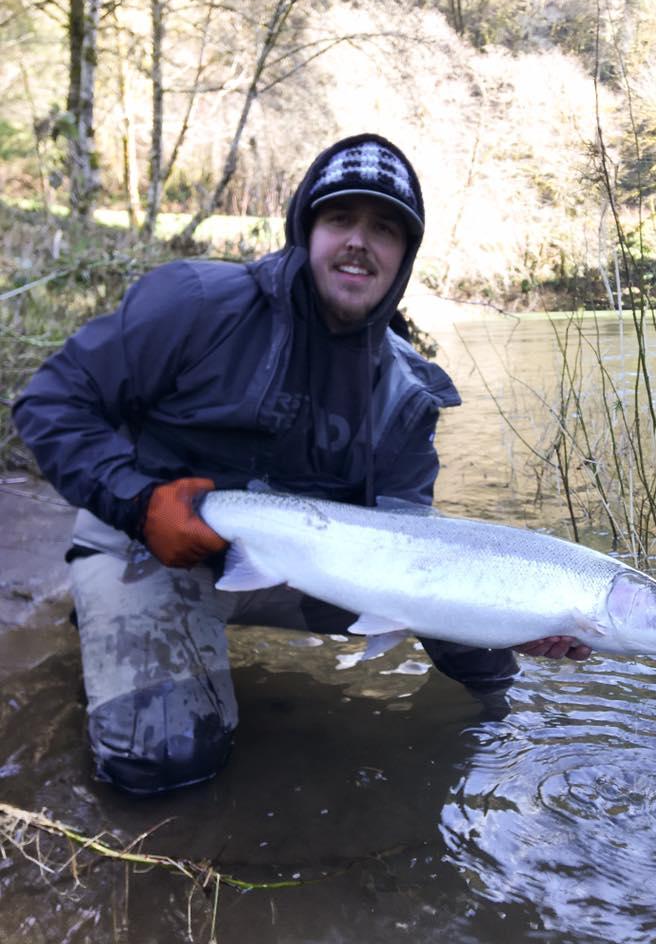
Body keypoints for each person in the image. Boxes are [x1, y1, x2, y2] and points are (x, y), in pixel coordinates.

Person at [13, 133, 590, 796]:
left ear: (403, 256)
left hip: (303, 565)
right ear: (306, 228)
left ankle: (498, 737)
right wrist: (137, 501)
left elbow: (413, 556)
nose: (358, 241)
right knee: (163, 764)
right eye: (340, 218)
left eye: (384, 228)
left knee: (477, 613)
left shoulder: (409, 394)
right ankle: (114, 611)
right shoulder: (198, 304)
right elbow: (50, 401)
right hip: (148, 540)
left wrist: (515, 623)